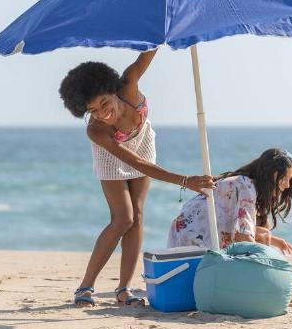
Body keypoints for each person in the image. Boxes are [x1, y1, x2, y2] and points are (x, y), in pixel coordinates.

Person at [58, 49, 214, 307]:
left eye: (104, 104)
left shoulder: (129, 83)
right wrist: (185, 181)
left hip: (142, 142)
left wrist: (159, 29)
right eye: (92, 110)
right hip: (112, 155)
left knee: (138, 216)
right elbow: (135, 163)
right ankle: (85, 286)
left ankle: (124, 289)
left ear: (112, 89)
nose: (101, 113)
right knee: (122, 218)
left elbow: (149, 50)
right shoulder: (96, 130)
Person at [167, 148, 292, 254]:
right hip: (191, 245)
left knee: (264, 234)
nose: (287, 185)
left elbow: (242, 230)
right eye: (284, 178)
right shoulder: (246, 187)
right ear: (269, 175)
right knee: (259, 250)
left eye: (289, 180)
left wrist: (274, 241)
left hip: (186, 239)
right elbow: (243, 238)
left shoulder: (247, 185)